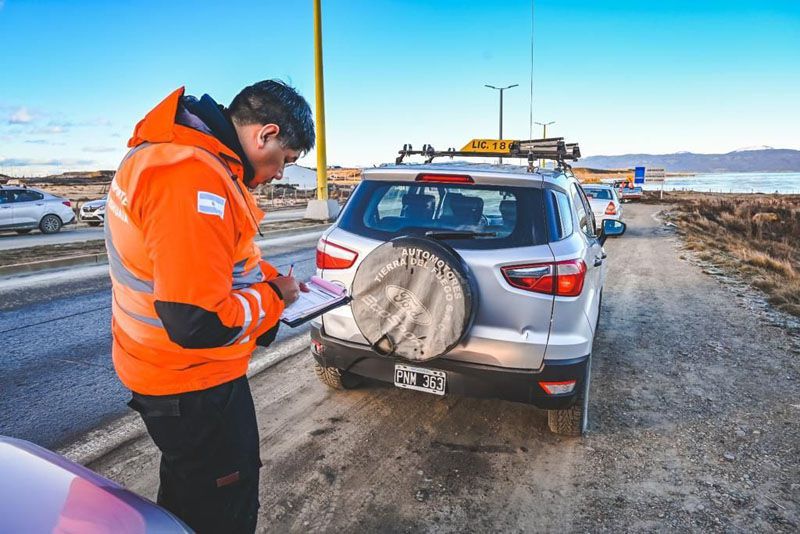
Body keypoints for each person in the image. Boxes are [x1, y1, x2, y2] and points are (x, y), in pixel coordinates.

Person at [105, 80, 315, 532]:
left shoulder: (181, 154)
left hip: (165, 371)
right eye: (286, 160)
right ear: (266, 134)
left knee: (188, 491)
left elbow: (213, 260)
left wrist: (264, 277)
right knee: (221, 509)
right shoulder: (193, 177)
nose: (281, 173)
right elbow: (197, 321)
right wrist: (276, 297)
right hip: (192, 381)